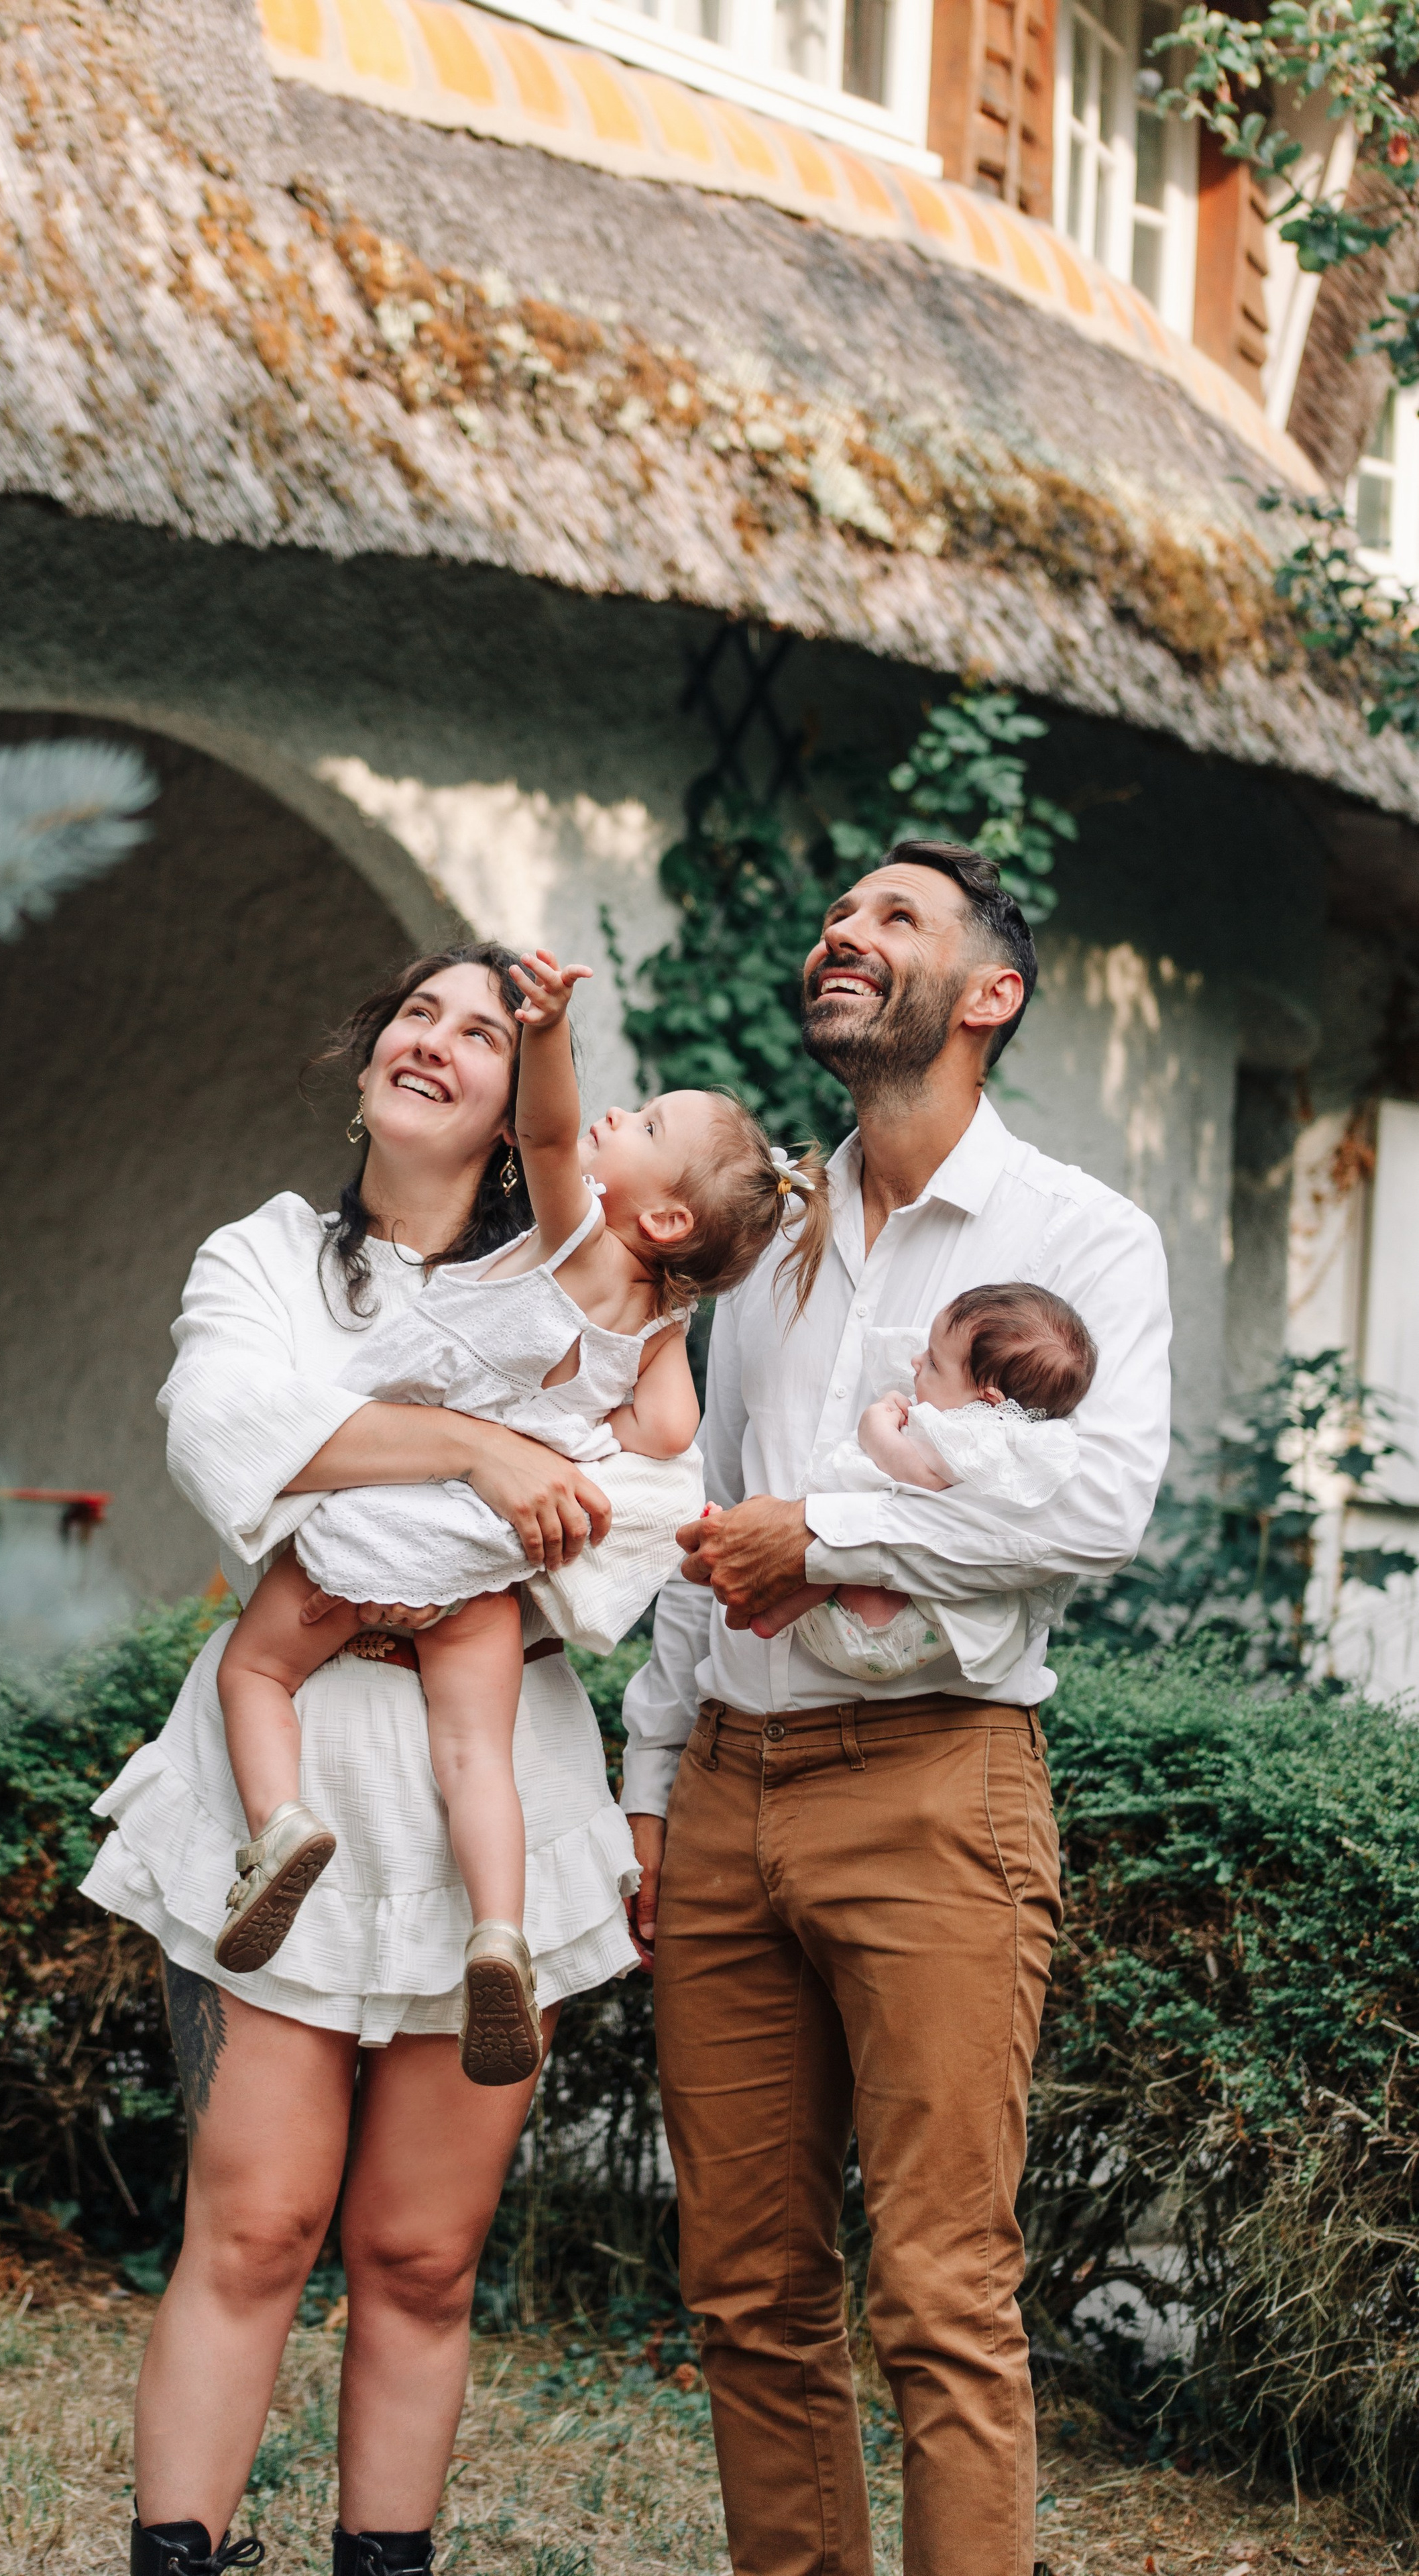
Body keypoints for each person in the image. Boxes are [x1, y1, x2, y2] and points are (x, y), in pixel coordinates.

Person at [81, 944, 702, 2576]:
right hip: (276, 1768)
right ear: (370, 1056)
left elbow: (628, 1533)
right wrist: (486, 1455)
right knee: (256, 2223)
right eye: (415, 1010)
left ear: (518, 1107)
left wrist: (416, 1487)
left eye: (480, 1029)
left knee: (422, 2253)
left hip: (491, 1779)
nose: (433, 1037)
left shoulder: (583, 1290)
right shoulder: (266, 1256)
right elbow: (230, 1431)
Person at [621, 843, 1172, 2576]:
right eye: (839, 916)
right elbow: (700, 1521)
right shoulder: (766, 1247)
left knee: (940, 2293)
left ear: (988, 992)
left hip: (937, 1791)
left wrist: (839, 1531)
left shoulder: (1082, 1235)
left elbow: (1098, 1509)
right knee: (746, 2292)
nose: (844, 935)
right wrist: (649, 1786)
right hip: (725, 1790)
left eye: (894, 919)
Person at [211, 949, 826, 2089]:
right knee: (476, 1755)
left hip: (381, 1531)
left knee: (253, 1673)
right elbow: (654, 1459)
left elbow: (546, 1137)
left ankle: (280, 1824)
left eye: (638, 1122)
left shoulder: (569, 1243)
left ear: (660, 1209)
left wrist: (549, 1030)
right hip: (484, 1572)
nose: (606, 1116)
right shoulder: (659, 1341)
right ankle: (500, 1929)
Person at [754, 1280, 1098, 1689]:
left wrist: (875, 1426)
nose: (916, 1362)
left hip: (886, 1624)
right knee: (820, 1532)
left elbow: (918, 1477)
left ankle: (770, 1614)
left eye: (934, 1363)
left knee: (841, 1542)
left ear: (987, 1401)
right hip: (885, 1622)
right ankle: (765, 1598)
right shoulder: (1015, 1441)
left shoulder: (977, 1436)